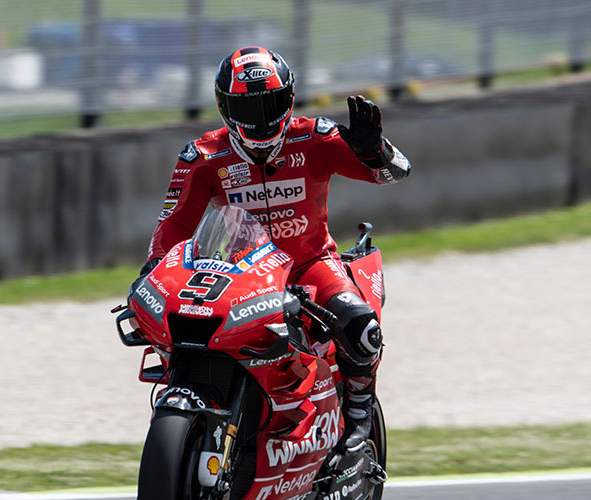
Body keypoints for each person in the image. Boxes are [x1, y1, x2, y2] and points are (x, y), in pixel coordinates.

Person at [134, 46, 411, 451]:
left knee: (363, 329)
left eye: (271, 104)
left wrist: (374, 151)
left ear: (291, 99)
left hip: (311, 266)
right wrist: (155, 269)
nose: (262, 121)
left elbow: (396, 172)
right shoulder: (203, 156)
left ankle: (359, 415)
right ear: (224, 107)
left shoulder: (316, 137)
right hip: (237, 273)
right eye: (249, 109)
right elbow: (174, 225)